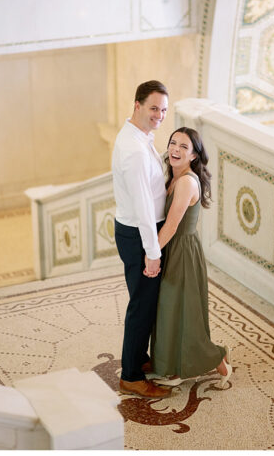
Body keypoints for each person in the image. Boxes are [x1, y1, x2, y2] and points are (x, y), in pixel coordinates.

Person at [149, 128, 232, 386]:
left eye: (183, 147)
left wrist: (151, 255)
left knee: (185, 312)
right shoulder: (173, 177)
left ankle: (220, 363)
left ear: (194, 155)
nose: (175, 149)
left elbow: (172, 226)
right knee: (171, 309)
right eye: (173, 143)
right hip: (175, 248)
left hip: (182, 251)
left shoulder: (186, 182)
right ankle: (175, 366)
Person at [111, 81, 171, 398]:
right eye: (153, 108)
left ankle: (139, 358)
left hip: (135, 231)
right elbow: (144, 207)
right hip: (139, 234)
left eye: (163, 109)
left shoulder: (139, 137)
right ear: (137, 105)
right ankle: (131, 376)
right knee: (141, 307)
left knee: (144, 302)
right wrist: (153, 252)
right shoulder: (133, 150)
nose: (159, 115)